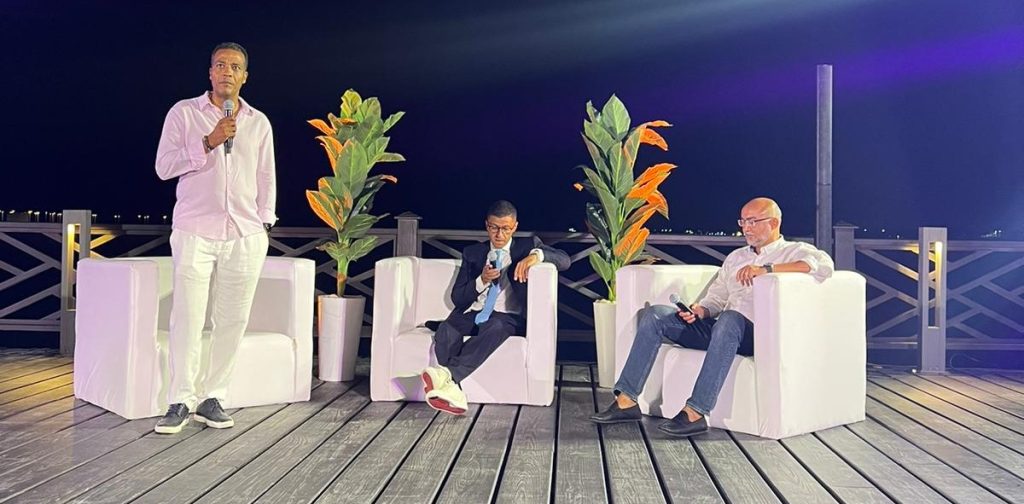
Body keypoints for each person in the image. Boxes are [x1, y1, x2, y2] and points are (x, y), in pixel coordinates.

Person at [590, 197, 834, 437]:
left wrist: (767, 270)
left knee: (730, 318)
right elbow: (717, 298)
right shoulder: (736, 258)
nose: (746, 228)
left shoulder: (793, 251)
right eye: (743, 222)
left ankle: (696, 412)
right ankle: (626, 401)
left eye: (753, 221)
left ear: (774, 223)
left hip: (756, 335)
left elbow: (824, 265)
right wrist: (700, 310)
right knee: (656, 315)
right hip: (722, 330)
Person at [153, 42, 276, 434]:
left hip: (244, 234)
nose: (227, 72)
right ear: (210, 72)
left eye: (235, 67)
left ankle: (214, 397)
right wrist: (207, 141)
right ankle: (180, 399)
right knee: (188, 317)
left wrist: (264, 223)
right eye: (220, 65)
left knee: (232, 319)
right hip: (195, 230)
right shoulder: (184, 113)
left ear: (245, 77)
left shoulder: (258, 122)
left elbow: (266, 176)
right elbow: (163, 167)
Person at [421, 200, 570, 415]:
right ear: (487, 225)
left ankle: (446, 376)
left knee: (495, 327)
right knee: (446, 329)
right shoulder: (473, 253)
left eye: (506, 229)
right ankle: (454, 391)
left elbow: (565, 260)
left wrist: (535, 256)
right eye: (494, 228)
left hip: (506, 316)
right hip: (473, 312)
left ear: (515, 227)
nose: (499, 235)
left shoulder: (527, 246)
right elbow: (458, 298)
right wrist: (481, 280)